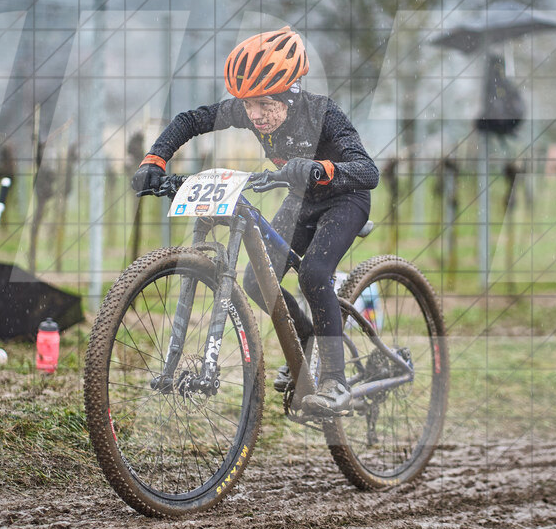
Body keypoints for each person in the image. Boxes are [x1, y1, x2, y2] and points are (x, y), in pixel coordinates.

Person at [131, 26, 379, 415]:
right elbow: (191, 120)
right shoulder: (249, 109)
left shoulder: (323, 113)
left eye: (265, 104)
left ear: (290, 93)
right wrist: (155, 159)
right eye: (248, 106)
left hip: (346, 199)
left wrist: (320, 169)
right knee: (255, 281)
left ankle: (335, 380)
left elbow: (368, 171)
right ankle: (307, 336)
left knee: (313, 274)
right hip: (303, 201)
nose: (255, 115)